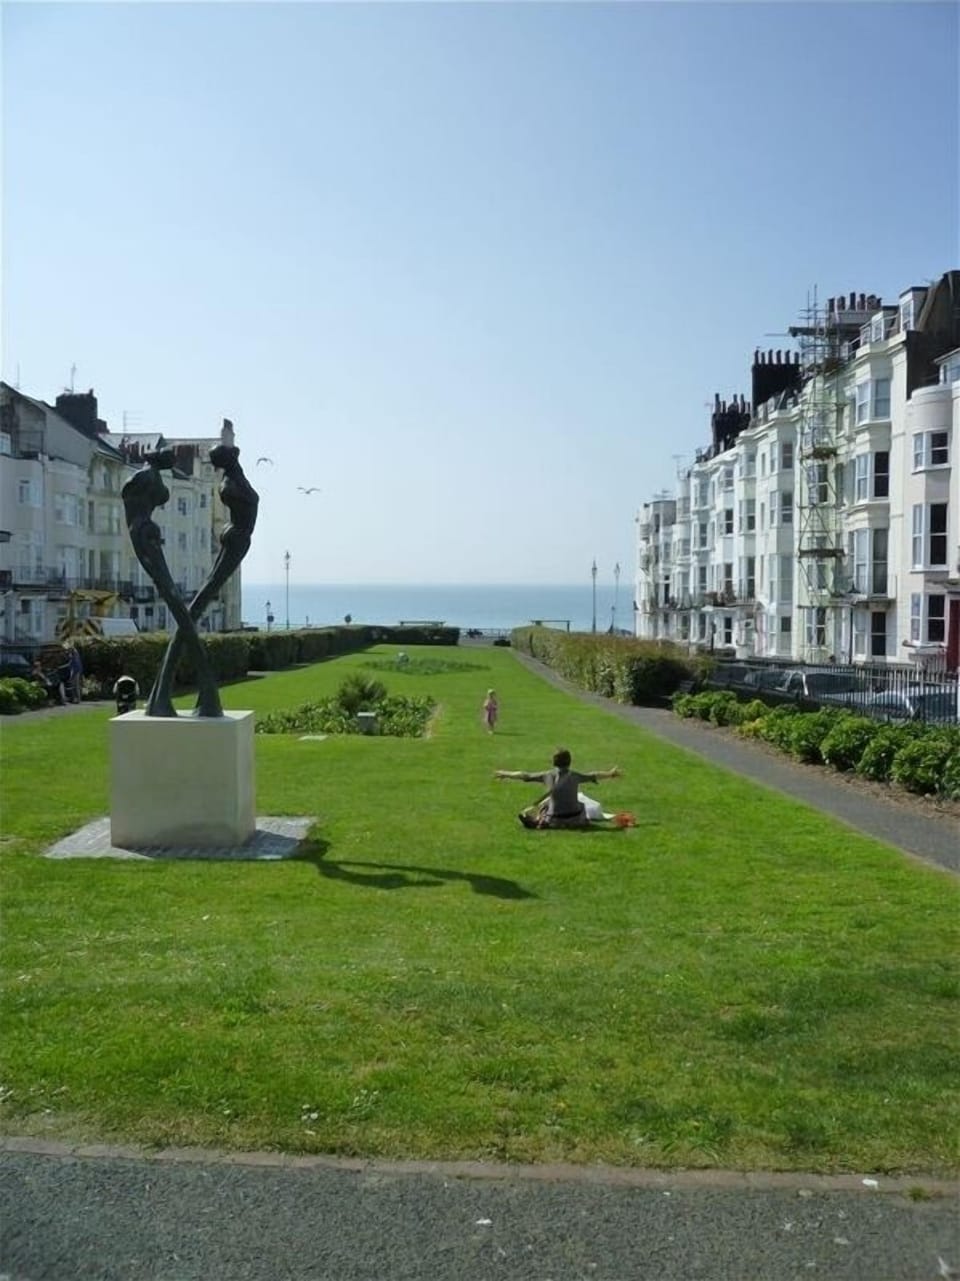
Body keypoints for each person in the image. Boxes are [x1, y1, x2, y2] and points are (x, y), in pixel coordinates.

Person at [494, 749, 622, 829]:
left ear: (554, 762)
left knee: (547, 804)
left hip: (554, 819)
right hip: (576, 819)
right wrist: (610, 774)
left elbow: (525, 775)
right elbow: (593, 775)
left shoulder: (547, 775)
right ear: (570, 762)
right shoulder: (575, 776)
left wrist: (506, 774)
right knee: (580, 803)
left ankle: (539, 820)